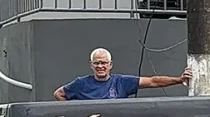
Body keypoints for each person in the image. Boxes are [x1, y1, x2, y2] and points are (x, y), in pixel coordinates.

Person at [54, 48, 191, 101]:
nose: (100, 66)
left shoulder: (121, 81)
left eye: (104, 63)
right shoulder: (81, 83)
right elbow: (59, 94)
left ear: (110, 65)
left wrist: (179, 80)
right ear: (91, 65)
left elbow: (152, 81)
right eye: (96, 63)